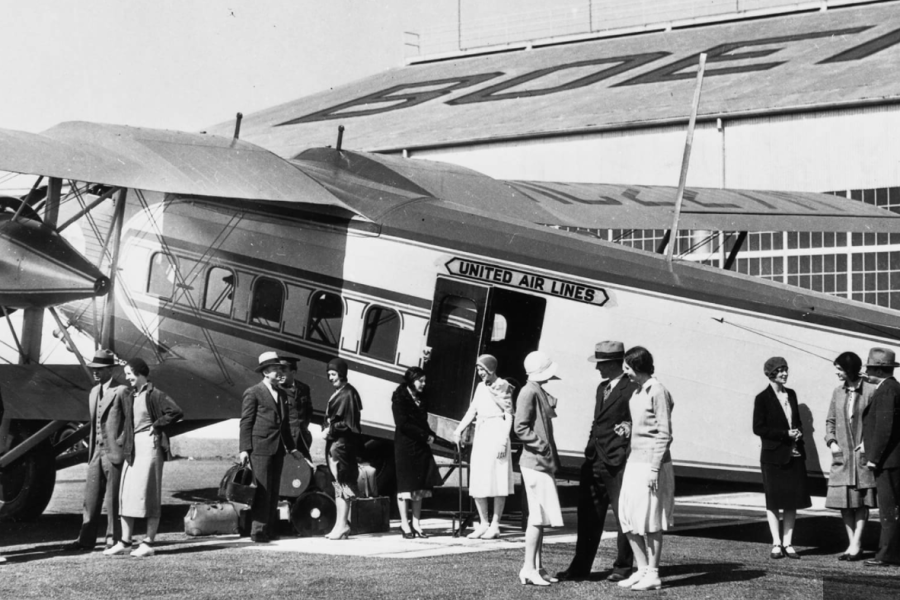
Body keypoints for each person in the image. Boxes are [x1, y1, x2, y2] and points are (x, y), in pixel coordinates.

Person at [558, 341, 636, 582]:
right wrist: (589, 449)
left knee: (624, 516)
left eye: (601, 364)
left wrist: (625, 442)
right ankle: (580, 568)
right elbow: (598, 422)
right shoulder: (602, 388)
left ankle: (623, 567)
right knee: (588, 516)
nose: (597, 368)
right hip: (594, 461)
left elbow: (638, 420)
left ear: (613, 363)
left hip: (618, 462)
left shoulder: (632, 388)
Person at [104, 358, 183, 557]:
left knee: (149, 494)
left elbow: (175, 412)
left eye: (129, 374)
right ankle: (125, 542)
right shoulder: (132, 395)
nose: (127, 378)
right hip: (133, 447)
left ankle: (148, 544)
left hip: (150, 446)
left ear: (139, 373)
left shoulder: (155, 394)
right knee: (126, 494)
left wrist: (156, 425)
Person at [617, 346, 674, 591]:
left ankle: (653, 573)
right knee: (628, 516)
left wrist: (654, 468)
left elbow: (664, 433)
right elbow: (645, 425)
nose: (625, 373)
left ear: (638, 367)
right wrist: (629, 429)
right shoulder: (638, 391)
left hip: (651, 463)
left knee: (650, 519)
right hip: (635, 460)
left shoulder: (657, 390)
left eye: (627, 368)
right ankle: (641, 569)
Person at [64, 349, 129, 552]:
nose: (95, 372)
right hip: (96, 453)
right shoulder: (93, 392)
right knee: (90, 498)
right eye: (94, 369)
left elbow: (131, 423)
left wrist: (122, 444)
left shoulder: (122, 391)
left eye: (99, 369)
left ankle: (113, 540)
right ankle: (85, 540)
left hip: (114, 453)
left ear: (110, 370)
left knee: (113, 499)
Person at [239, 351, 306, 543]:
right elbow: (246, 422)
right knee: (262, 491)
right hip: (260, 448)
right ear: (265, 372)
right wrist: (244, 449)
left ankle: (269, 529)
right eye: (276, 369)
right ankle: (258, 531)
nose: (280, 372)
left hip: (278, 449)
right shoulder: (253, 392)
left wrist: (292, 448)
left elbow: (284, 426)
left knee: (274, 490)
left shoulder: (282, 394)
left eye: (281, 369)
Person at [752, 356, 811, 561]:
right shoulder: (762, 398)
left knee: (791, 501)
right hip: (773, 457)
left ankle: (788, 543)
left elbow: (797, 421)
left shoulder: (791, 394)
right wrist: (785, 434)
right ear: (771, 374)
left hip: (794, 454)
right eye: (780, 370)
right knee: (774, 501)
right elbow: (758, 428)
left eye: (785, 370)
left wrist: (798, 432)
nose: (784, 374)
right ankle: (776, 543)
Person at [514, 350, 563, 586]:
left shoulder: (535, 390)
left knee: (540, 516)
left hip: (539, 461)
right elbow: (520, 427)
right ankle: (528, 568)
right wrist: (542, 445)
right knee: (536, 516)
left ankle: (537, 567)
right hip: (535, 462)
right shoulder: (529, 391)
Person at [452, 355, 514, 540]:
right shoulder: (480, 387)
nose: (480, 373)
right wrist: (459, 430)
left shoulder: (503, 386)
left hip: (497, 432)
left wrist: (504, 441)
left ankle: (495, 525)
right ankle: (483, 523)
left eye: (483, 369)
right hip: (482, 433)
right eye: (478, 369)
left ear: (491, 369)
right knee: (479, 478)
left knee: (498, 479)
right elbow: (472, 410)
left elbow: (509, 415)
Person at [824, 351, 876, 561]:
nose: (837, 373)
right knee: (844, 503)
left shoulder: (871, 390)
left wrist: (867, 443)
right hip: (842, 457)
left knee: (861, 502)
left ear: (849, 369)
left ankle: (856, 544)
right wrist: (832, 442)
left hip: (862, 456)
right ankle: (851, 543)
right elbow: (830, 420)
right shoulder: (837, 392)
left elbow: (876, 422)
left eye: (840, 369)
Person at [861, 347, 900, 567]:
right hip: (894, 460)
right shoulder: (893, 388)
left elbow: (885, 429)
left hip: (888, 462)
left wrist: (874, 457)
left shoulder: (886, 391)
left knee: (888, 509)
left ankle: (887, 555)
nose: (867, 372)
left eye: (869, 368)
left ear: (879, 369)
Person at [392, 367, 440, 538]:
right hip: (405, 447)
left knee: (419, 487)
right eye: (421, 380)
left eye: (425, 381)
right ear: (412, 380)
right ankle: (404, 524)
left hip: (420, 447)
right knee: (405, 487)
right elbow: (402, 424)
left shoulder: (421, 398)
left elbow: (423, 423)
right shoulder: (399, 398)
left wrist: (431, 435)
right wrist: (424, 436)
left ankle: (416, 524)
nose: (424, 384)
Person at [323, 357, 363, 540]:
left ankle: (342, 525)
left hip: (342, 445)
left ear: (341, 374)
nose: (330, 378)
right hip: (337, 444)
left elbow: (348, 424)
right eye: (329, 374)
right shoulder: (343, 392)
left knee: (342, 484)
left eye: (333, 374)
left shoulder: (348, 394)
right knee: (339, 485)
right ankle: (341, 524)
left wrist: (329, 430)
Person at [278, 354, 313, 460]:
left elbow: (308, 411)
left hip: (302, 438)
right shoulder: (276, 390)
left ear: (293, 372)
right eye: (279, 371)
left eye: (283, 371)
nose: (280, 374)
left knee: (307, 467)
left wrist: (303, 428)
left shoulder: (304, 388)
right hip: (285, 441)